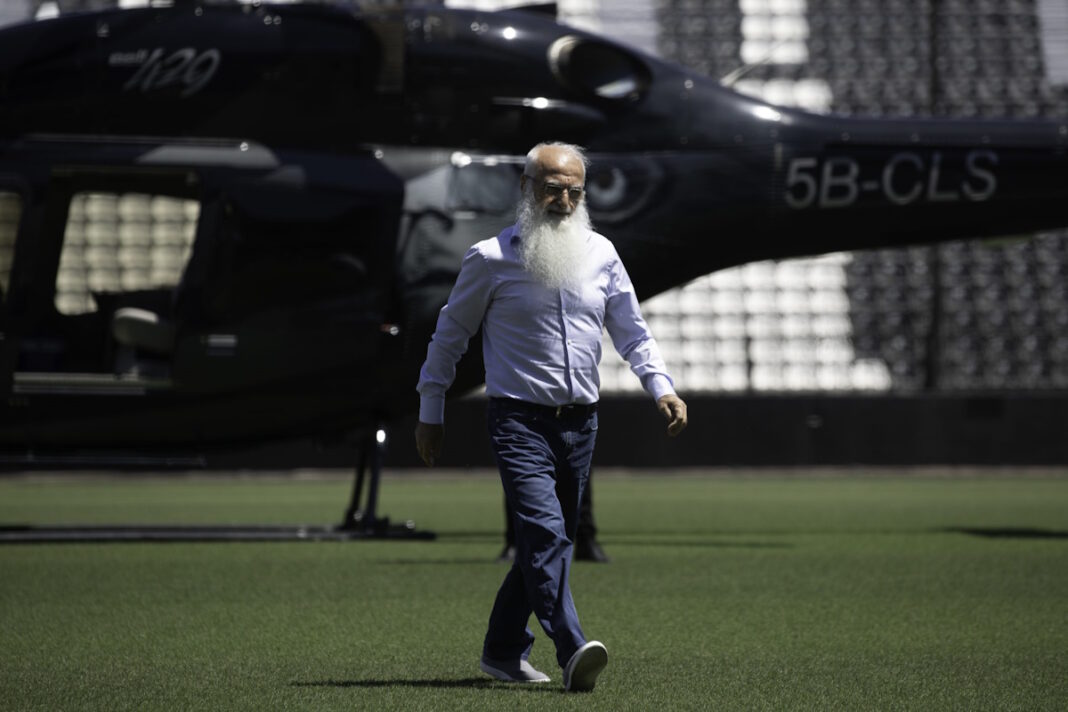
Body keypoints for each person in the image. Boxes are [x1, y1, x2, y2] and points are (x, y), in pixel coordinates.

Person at [414, 142, 687, 692]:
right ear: (526, 188)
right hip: (518, 422)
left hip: (581, 424)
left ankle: (502, 651)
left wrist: (661, 386)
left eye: (574, 191)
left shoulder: (602, 254)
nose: (563, 200)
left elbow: (632, 331)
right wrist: (431, 408)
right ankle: (571, 647)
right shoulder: (491, 257)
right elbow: (450, 334)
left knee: (543, 545)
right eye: (552, 188)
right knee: (546, 536)